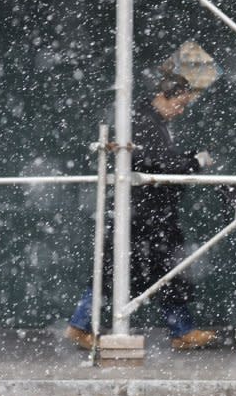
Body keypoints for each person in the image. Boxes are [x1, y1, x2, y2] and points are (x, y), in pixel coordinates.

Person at [66, 72, 217, 351]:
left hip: (149, 212)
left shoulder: (149, 121)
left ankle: (181, 330)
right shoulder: (145, 122)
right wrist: (193, 162)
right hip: (144, 213)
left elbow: (159, 160)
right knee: (124, 270)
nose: (181, 110)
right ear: (163, 96)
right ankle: (80, 325)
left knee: (165, 269)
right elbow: (155, 163)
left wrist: (188, 159)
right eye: (179, 103)